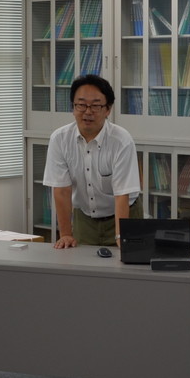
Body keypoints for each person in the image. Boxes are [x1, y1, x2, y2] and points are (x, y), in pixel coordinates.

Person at [44, 75, 141, 249]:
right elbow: (62, 190)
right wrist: (65, 234)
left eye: (96, 106)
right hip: (85, 217)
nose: (87, 112)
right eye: (81, 105)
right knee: (81, 263)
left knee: (126, 262)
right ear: (73, 107)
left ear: (108, 109)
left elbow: (122, 195)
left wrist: (121, 237)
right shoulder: (59, 139)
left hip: (123, 215)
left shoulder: (122, 141)